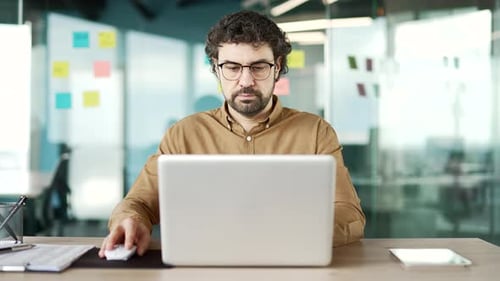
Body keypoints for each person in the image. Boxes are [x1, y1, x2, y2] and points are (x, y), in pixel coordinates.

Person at [99, 10, 365, 258]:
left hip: (288, 263)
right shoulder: (183, 134)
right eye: (232, 67)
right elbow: (139, 202)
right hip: (202, 264)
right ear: (216, 67)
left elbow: (349, 215)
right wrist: (130, 219)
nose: (246, 81)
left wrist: (285, 231)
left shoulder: (316, 132)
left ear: (277, 66)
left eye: (259, 67)